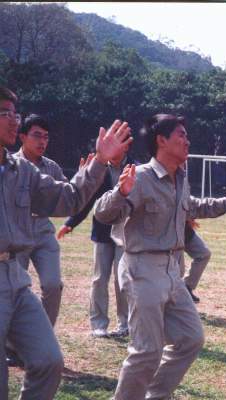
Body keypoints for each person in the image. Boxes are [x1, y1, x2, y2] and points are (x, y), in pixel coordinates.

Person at [94, 113, 226, 399]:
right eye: (181, 134)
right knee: (147, 351)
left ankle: (156, 395)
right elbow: (103, 213)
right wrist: (121, 191)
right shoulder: (141, 176)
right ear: (161, 140)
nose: (187, 140)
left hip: (173, 270)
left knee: (191, 339)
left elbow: (192, 207)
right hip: (142, 269)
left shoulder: (180, 177)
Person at [0, 86, 131, 400]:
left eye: (14, 114)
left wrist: (99, 160)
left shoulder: (23, 171)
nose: (13, 121)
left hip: (15, 280)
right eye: (4, 114)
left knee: (48, 362)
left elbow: (68, 197)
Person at [58, 145, 134, 338]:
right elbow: (86, 200)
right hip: (102, 232)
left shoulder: (136, 168)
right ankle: (98, 324)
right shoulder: (99, 170)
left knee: (122, 279)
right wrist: (70, 223)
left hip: (125, 233)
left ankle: (125, 324)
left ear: (125, 148)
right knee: (99, 279)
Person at [13, 115, 67, 328]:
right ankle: (12, 343)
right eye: (37, 136)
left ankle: (43, 335)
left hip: (43, 230)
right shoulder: (9, 165)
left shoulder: (52, 167)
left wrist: (84, 178)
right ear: (22, 137)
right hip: (16, 230)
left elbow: (66, 197)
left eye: (46, 137)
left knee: (53, 285)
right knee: (13, 288)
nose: (42, 141)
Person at [177, 221, 212, 303]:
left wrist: (189, 217)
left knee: (204, 253)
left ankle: (186, 287)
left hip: (184, 228)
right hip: (168, 230)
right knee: (178, 269)